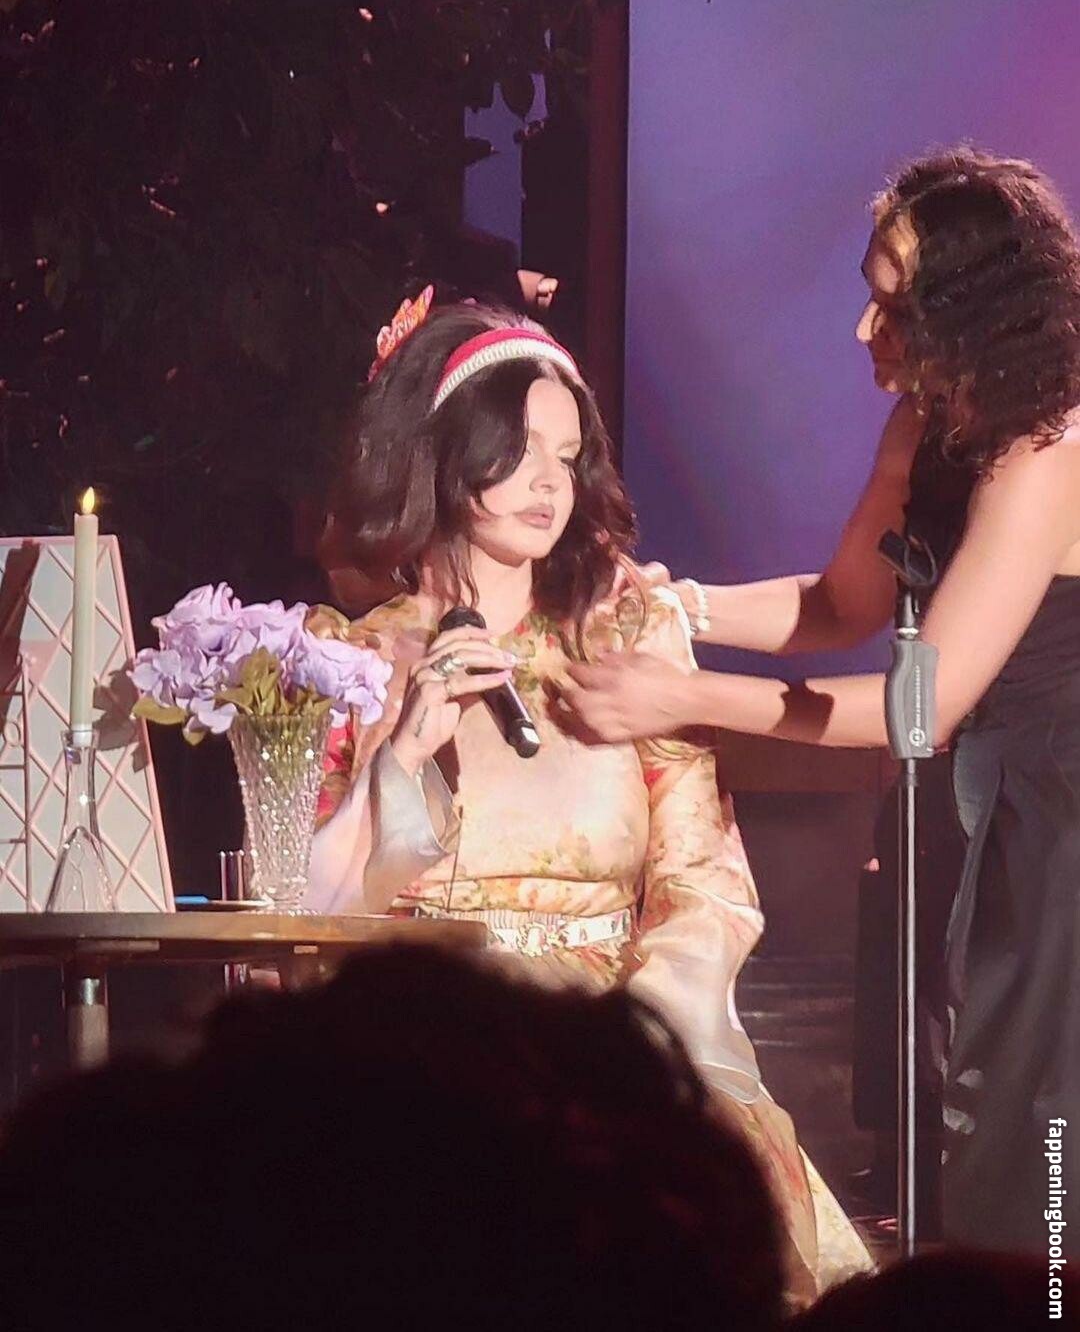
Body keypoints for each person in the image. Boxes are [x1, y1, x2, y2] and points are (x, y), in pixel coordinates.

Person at [303, 293, 873, 1302]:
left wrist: (637, 1041)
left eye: (567, 458)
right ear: (446, 449)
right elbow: (311, 909)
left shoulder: (626, 638)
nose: (547, 482)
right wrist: (403, 758)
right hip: (426, 1043)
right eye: (520, 449)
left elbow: (704, 882)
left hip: (616, 1045)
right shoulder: (351, 659)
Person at [562, 147, 1080, 1257]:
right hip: (958, 818)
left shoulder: (1046, 455)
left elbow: (916, 708)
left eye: (894, 305)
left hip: (1054, 840)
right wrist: (682, 605)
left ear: (973, 312)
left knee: (1032, 1151)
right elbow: (843, 602)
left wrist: (682, 698)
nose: (863, 329)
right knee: (944, 1131)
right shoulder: (927, 430)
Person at [0, 945, 787, 1332]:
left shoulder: (646, 668)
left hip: (570, 1023)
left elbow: (702, 895)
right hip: (414, 1023)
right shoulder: (369, 683)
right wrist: (400, 761)